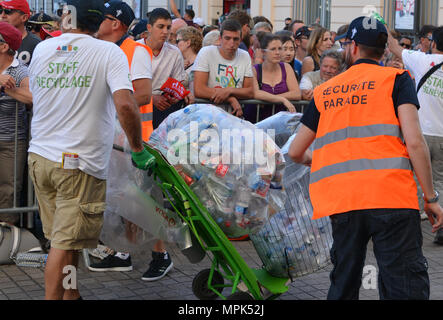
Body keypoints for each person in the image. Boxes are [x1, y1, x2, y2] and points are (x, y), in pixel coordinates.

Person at [288, 16, 443, 300]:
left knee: (344, 281)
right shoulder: (396, 80)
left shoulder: (325, 92)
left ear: (353, 48)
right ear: (384, 49)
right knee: (403, 284)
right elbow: (415, 143)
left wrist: (321, 159)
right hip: (392, 197)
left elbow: (296, 152)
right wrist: (431, 199)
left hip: (343, 200)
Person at [27, 0, 152, 300]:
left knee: (66, 240)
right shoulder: (108, 52)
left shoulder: (44, 49)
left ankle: (72, 295)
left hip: (41, 157)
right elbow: (125, 103)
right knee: (63, 244)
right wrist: (137, 148)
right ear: (98, 22)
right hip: (77, 164)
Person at [87, 0, 153, 273]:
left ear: (116, 23)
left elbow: (143, 94)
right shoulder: (105, 49)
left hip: (134, 137)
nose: (96, 22)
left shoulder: (135, 49)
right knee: (115, 195)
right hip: (111, 135)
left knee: (131, 197)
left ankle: (129, 253)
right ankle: (118, 249)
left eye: (102, 17)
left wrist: (107, 102)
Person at [137, 8, 191, 281]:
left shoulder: (173, 53)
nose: (166, 31)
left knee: (155, 187)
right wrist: (150, 98)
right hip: (136, 120)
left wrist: (170, 96)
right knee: (131, 186)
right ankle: (122, 248)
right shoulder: (135, 50)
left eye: (169, 27)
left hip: (161, 120)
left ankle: (160, 253)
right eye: (161, 26)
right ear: (148, 28)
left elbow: (180, 82)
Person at [388, 25, 443, 244]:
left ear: (434, 44)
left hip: (419, 133)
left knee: (413, 180)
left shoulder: (422, 60)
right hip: (442, 135)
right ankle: (440, 228)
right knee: (440, 181)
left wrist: (380, 23)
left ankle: (409, 230)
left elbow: (393, 47)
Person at [0, 22, 32, 225]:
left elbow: (32, 98)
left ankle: (6, 241)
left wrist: (8, 89)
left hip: (11, 142)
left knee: (8, 190)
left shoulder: (20, 70)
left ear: (4, 46)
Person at [193, 19, 254, 117]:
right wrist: (230, 99)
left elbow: (249, 91)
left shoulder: (245, 55)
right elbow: (199, 89)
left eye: (235, 39)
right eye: (227, 38)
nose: (231, 43)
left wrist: (229, 91)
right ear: (220, 39)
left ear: (240, 40)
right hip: (206, 115)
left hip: (233, 116)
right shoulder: (206, 52)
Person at [243, 33, 299, 123]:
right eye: (273, 49)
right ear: (263, 52)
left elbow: (296, 93)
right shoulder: (255, 70)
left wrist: (270, 98)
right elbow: (256, 93)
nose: (277, 53)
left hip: (279, 124)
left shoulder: (286, 67)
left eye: (280, 49)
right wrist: (282, 99)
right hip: (257, 122)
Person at [0, 0, 40, 65]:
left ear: (24, 17)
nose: (2, 15)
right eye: (0, 11)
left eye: (8, 11)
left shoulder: (36, 44)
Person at [176, 26, 203, 93]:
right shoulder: (181, 61)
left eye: (178, 41)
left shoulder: (199, 63)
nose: (176, 44)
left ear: (188, 43)